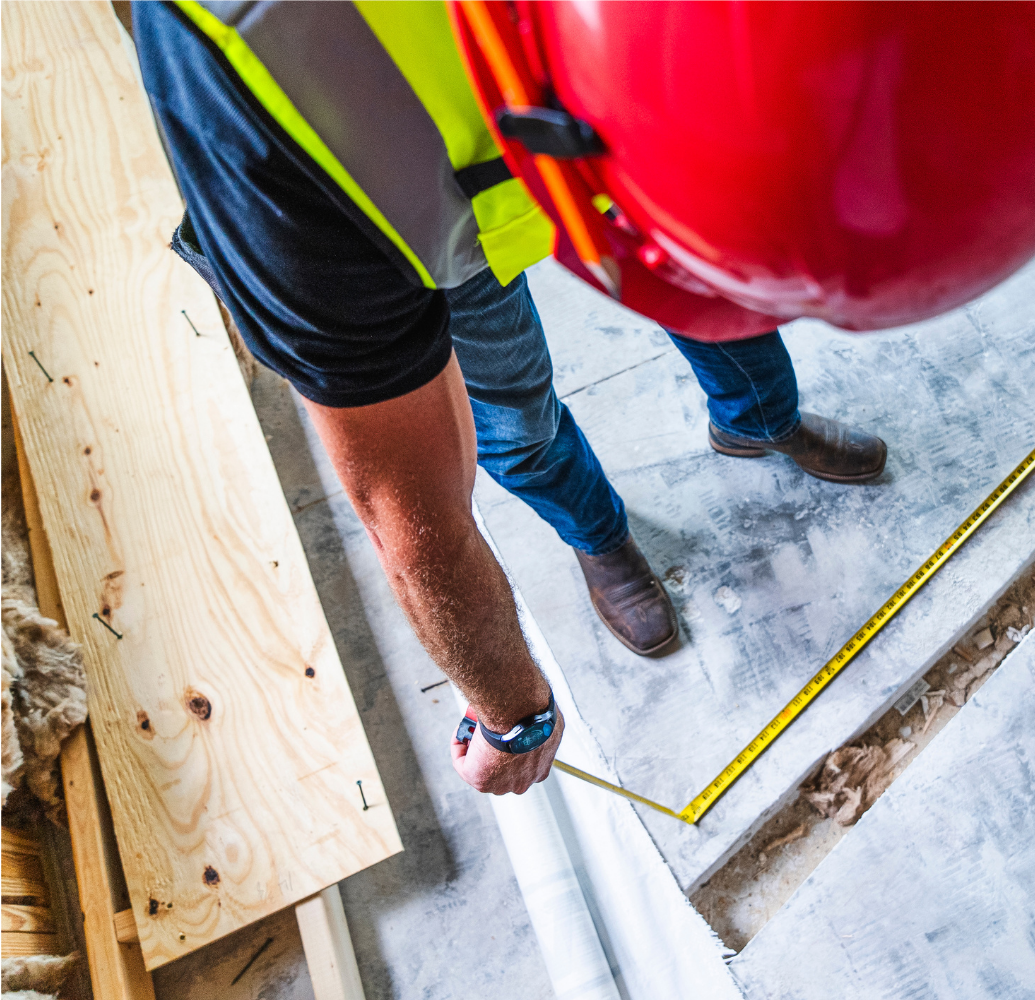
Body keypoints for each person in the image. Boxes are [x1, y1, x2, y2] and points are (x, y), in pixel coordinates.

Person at [133, 1, 887, 797]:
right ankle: (599, 537)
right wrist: (513, 713)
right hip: (428, 233)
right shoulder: (243, 81)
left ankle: (757, 423)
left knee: (717, 288)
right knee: (517, 422)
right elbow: (408, 506)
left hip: (623, 114)